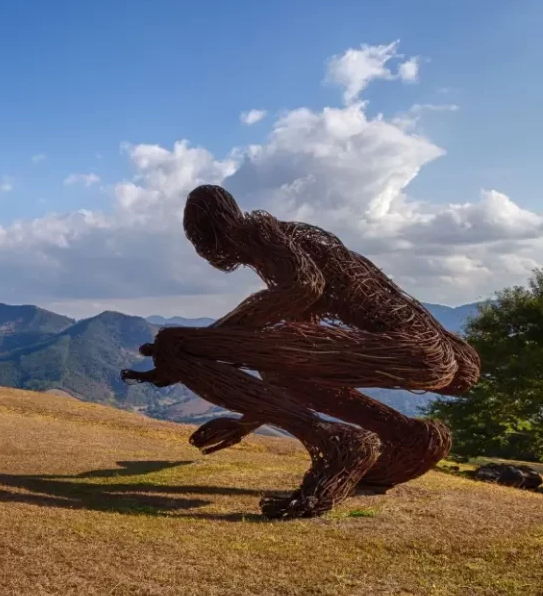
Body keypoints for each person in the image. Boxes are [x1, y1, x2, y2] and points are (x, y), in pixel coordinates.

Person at [122, 185, 479, 518]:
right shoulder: (297, 245)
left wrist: (209, 341)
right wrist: (246, 421)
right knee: (280, 371)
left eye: (199, 242)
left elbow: (304, 286)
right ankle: (411, 438)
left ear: (207, 233)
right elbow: (293, 349)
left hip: (408, 349)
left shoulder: (261, 233)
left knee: (174, 343)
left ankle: (338, 442)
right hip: (434, 354)